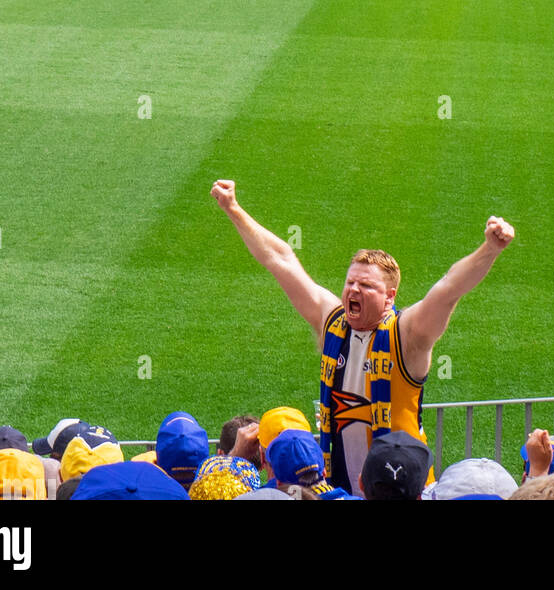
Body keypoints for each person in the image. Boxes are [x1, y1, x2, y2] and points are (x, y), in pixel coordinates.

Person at [210, 178, 515, 494]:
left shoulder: (406, 335)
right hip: (339, 486)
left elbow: (448, 289)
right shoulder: (332, 320)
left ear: (390, 297)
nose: (353, 289)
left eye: (366, 286)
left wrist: (490, 248)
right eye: (350, 282)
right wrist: (234, 209)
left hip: (402, 490)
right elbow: (282, 260)